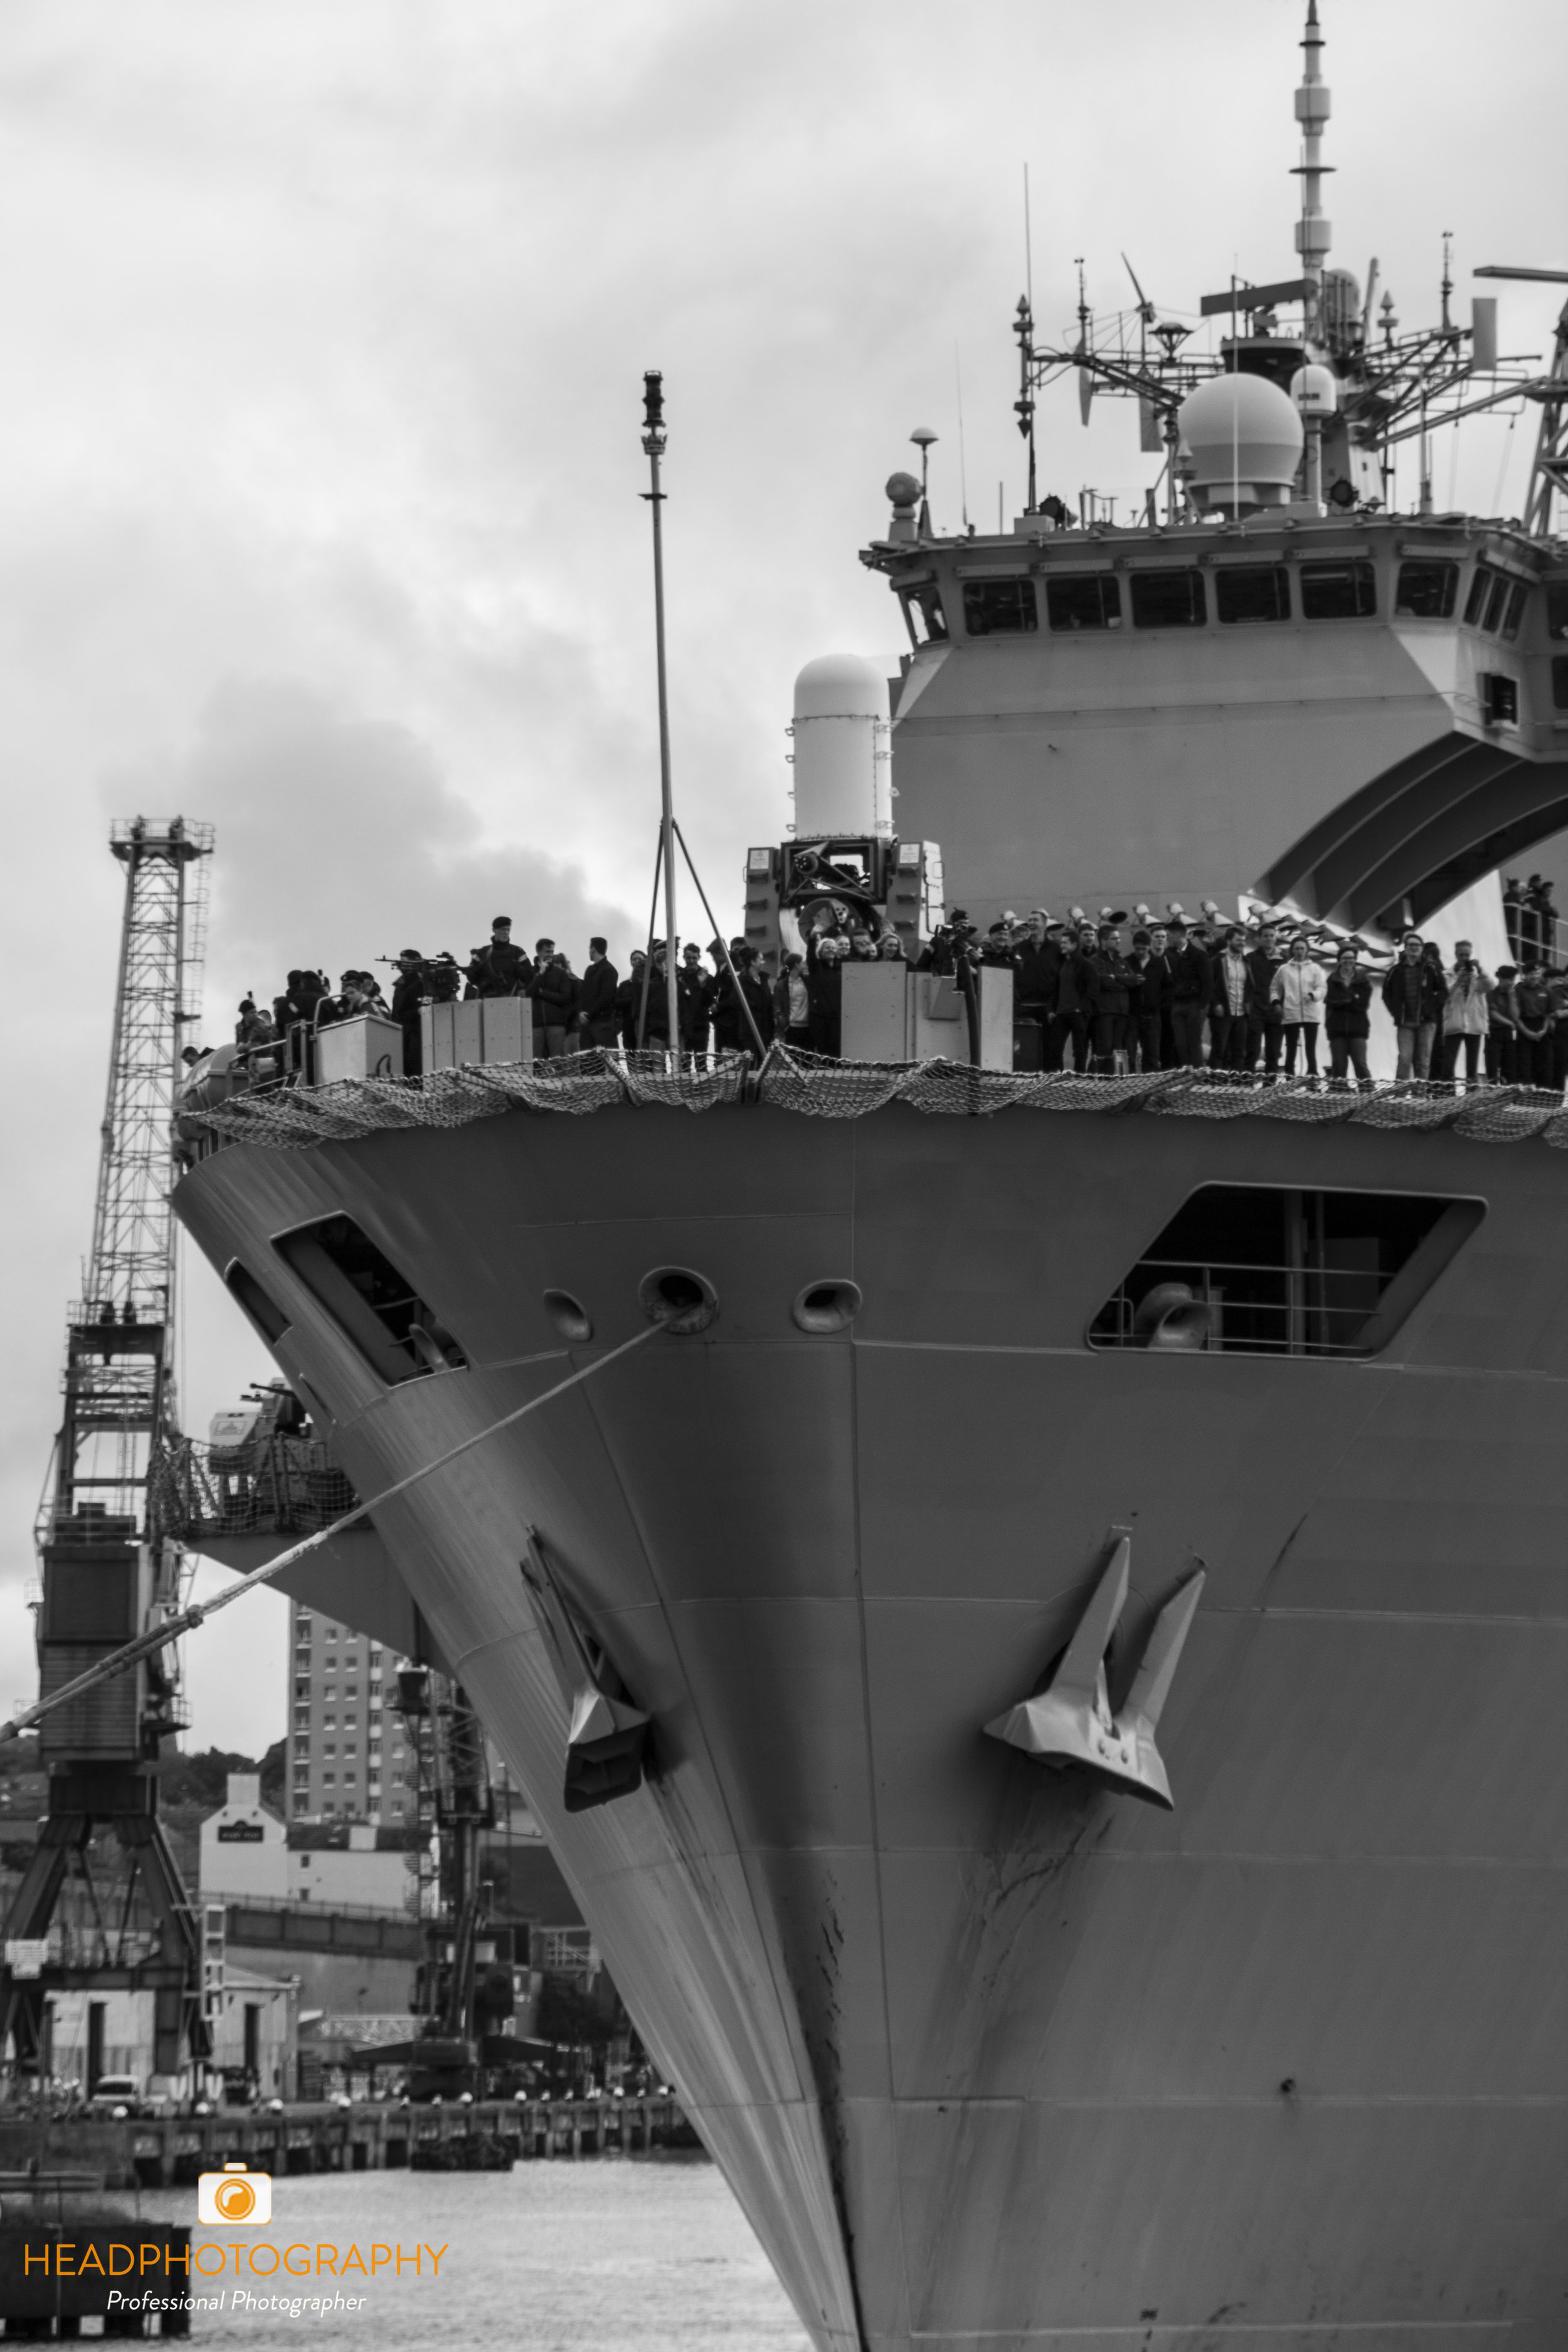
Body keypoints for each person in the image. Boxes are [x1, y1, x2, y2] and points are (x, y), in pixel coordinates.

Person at [1380, 935, 1443, 1081]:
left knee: (1423, 1061)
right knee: (1404, 1059)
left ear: (1422, 949)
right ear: (1406, 948)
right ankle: (1400, 1094)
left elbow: (1443, 990)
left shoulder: (1431, 969)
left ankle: (1419, 1096)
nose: (1414, 948)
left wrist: (1432, 1007)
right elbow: (1386, 993)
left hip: (1427, 1022)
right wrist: (1395, 1011)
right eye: (1411, 945)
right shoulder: (1396, 971)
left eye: (1417, 945)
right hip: (1405, 1022)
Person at [1270, 934, 1326, 1076]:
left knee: (1310, 1049)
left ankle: (1312, 1077)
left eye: (1302, 948)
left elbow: (1322, 988)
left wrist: (1313, 995)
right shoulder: (1284, 969)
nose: (1300, 951)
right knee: (1291, 1048)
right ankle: (1289, 1077)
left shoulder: (1315, 968)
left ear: (1307, 950)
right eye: (1297, 949)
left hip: (1311, 1013)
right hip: (1291, 1013)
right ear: (1292, 950)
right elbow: (1274, 988)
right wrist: (1276, 1002)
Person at [1439, 941, 1491, 1084]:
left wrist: (1480, 970)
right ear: (1456, 955)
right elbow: (1443, 995)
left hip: (1474, 1024)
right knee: (1448, 1065)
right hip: (1453, 1023)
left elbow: (1490, 987)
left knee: (1472, 1067)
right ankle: (1447, 1097)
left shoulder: (1477, 976)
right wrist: (1458, 981)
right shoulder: (1447, 975)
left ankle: (1470, 1098)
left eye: (1467, 955)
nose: (1464, 958)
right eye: (1461, 955)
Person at [1165, 919, 1212, 1067]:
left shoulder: (1199, 955)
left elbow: (1208, 982)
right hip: (1178, 1004)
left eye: (1169, 936)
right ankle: (1187, 1076)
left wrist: (1201, 1006)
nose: (1167, 939)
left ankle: (1198, 1076)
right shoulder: (1170, 956)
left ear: (1177, 935)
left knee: (1194, 1043)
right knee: (1181, 1044)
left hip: (1195, 1004)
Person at [1324, 948, 1374, 1088]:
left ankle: (1368, 1093)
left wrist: (1343, 1001)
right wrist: (1351, 999)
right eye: (1345, 958)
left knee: (1360, 1063)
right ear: (1339, 960)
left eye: (1351, 958)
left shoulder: (1363, 981)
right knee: (1339, 1065)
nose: (1348, 961)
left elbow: (1363, 1005)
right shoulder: (1332, 980)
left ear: (1355, 960)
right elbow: (1330, 1000)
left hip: (1358, 1029)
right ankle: (1338, 1093)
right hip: (1337, 1029)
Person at [1209, 926, 1255, 1069]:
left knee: (1239, 1052)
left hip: (1241, 1013)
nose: (1242, 943)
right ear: (1229, 941)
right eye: (1238, 940)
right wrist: (1215, 1004)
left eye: (1243, 940)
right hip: (1223, 1013)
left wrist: (1249, 1004)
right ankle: (1216, 1083)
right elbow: (1209, 985)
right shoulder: (1217, 960)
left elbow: (1250, 986)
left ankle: (1237, 1085)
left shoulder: (1246, 962)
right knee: (1219, 1050)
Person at [1124, 928, 1168, 1071]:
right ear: (1133, 947)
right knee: (1129, 1054)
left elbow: (1168, 987)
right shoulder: (1127, 962)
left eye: (1144, 949)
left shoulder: (1159, 963)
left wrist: (1158, 1003)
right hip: (1132, 1014)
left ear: (1149, 947)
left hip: (1152, 1015)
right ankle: (1129, 1088)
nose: (1141, 952)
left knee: (1152, 1055)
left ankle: (1150, 1089)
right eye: (1138, 949)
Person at [1244, 924, 1285, 1073]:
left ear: (1276, 938)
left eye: (1272, 936)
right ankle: (1247, 1086)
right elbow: (1245, 983)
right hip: (1256, 1011)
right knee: (1252, 1051)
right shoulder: (1250, 958)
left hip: (1277, 1011)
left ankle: (1270, 1088)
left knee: (1273, 1053)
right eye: (1265, 936)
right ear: (1258, 939)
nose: (1269, 939)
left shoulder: (1284, 960)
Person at [529, 938, 576, 1059]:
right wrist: (540, 974)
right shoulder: (530, 972)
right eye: (547, 952)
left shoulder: (560, 974)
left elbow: (565, 998)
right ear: (539, 953)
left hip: (556, 1025)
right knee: (537, 1062)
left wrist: (543, 993)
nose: (550, 955)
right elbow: (529, 994)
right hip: (535, 1025)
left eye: (552, 952)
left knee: (557, 1062)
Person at [1512, 953, 1552, 1085]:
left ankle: (1541, 1096)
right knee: (1525, 1064)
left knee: (1542, 1063)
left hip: (1541, 1027)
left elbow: (1548, 1014)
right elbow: (1516, 1016)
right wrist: (1528, 1033)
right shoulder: (1519, 990)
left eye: (1537, 973)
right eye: (1532, 973)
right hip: (1525, 1026)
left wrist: (1544, 1029)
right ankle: (1524, 1098)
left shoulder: (1546, 991)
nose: (1535, 976)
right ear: (1525, 975)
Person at [467, 916, 531, 999]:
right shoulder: (483, 953)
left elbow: (530, 976)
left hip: (511, 999)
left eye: (508, 930)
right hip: (487, 999)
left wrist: (516, 966)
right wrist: (479, 969)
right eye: (503, 929)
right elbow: (472, 978)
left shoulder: (517, 952)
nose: (506, 933)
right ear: (494, 930)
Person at [805, 930, 847, 1056]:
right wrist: (812, 938)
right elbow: (810, 955)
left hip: (837, 1016)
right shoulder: (816, 967)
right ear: (821, 951)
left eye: (834, 948)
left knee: (836, 1049)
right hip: (819, 1015)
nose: (831, 950)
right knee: (823, 1050)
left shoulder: (842, 968)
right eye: (828, 948)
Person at [576, 937, 620, 1050]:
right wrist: (581, 1012)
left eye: (590, 948)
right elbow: (583, 994)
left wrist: (588, 1015)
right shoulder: (590, 970)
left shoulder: (609, 971)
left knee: (605, 1060)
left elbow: (606, 997)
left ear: (593, 949)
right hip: (588, 1025)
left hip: (602, 1023)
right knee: (588, 1062)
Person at [391, 949, 427, 1074]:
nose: (402, 965)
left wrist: (420, 1010)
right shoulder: (401, 984)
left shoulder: (422, 983)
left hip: (415, 1032)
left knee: (415, 1066)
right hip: (401, 1031)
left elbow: (427, 1001)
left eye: (405, 962)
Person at [677, 942, 714, 1059]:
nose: (691, 961)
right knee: (684, 1064)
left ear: (699, 958)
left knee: (701, 1063)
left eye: (694, 958)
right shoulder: (679, 977)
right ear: (684, 958)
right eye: (688, 958)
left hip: (701, 1026)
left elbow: (710, 1002)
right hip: (683, 1026)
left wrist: (702, 984)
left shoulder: (707, 978)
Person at [1486, 965, 1518, 1083]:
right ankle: (1492, 1095)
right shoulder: (1492, 994)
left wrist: (1511, 996)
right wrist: (1509, 1023)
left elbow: (1515, 1016)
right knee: (1493, 1067)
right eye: (1509, 979)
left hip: (1509, 1035)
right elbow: (1493, 1014)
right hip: (1495, 1033)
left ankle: (1508, 1097)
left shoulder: (1514, 994)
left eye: (1513, 979)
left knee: (1510, 1068)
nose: (1511, 982)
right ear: (1500, 978)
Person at [616, 949, 650, 1048]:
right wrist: (634, 1000)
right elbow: (616, 1003)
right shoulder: (624, 985)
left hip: (644, 1026)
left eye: (639, 959)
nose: (637, 961)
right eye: (634, 959)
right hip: (628, 1027)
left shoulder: (649, 981)